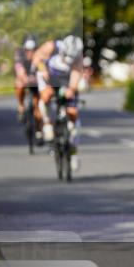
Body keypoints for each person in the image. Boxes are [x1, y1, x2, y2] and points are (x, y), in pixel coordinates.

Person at [32, 35, 85, 172]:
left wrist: (71, 89)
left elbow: (76, 75)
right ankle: (47, 122)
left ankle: (73, 151)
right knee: (47, 96)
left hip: (66, 81)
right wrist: (42, 68)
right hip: (48, 75)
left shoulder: (78, 57)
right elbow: (36, 57)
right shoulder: (52, 46)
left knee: (73, 113)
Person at [14, 34, 39, 124]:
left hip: (36, 78)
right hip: (24, 76)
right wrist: (25, 78)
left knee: (37, 106)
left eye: (32, 50)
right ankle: (21, 105)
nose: (30, 53)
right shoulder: (19, 54)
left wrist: (36, 78)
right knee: (19, 84)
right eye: (27, 50)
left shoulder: (39, 55)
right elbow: (19, 69)